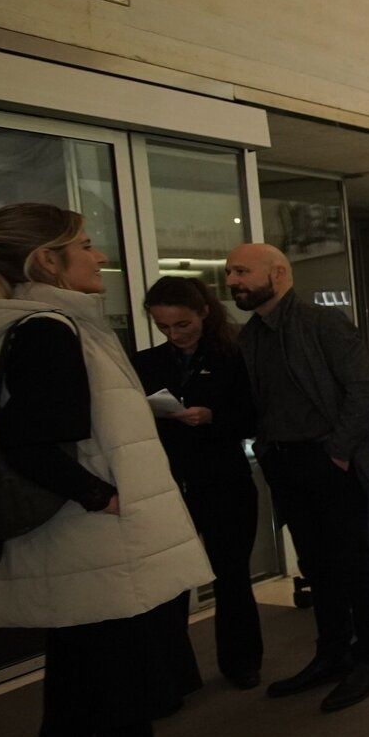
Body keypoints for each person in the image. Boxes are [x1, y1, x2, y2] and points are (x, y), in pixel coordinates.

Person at [0, 204, 238, 737]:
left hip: (70, 551)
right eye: (82, 245)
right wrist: (98, 495)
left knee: (74, 699)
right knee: (122, 695)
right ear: (46, 263)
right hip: (94, 546)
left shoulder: (28, 329)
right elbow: (30, 439)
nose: (97, 254)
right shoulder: (51, 332)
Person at [223, 242, 369, 712]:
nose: (233, 280)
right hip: (285, 462)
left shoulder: (321, 322)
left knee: (354, 565)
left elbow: (362, 389)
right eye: (230, 272)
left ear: (278, 273)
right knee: (316, 565)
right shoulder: (251, 336)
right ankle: (333, 654)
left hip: (329, 460)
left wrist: (338, 452)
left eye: (242, 271)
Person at [134, 275, 264, 692]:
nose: (173, 334)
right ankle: (173, 673)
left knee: (231, 576)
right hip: (172, 483)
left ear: (203, 313)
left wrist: (213, 417)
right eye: (164, 327)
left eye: (182, 325)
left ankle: (241, 662)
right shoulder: (146, 363)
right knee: (170, 580)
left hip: (224, 479)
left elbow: (254, 417)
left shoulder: (234, 356)